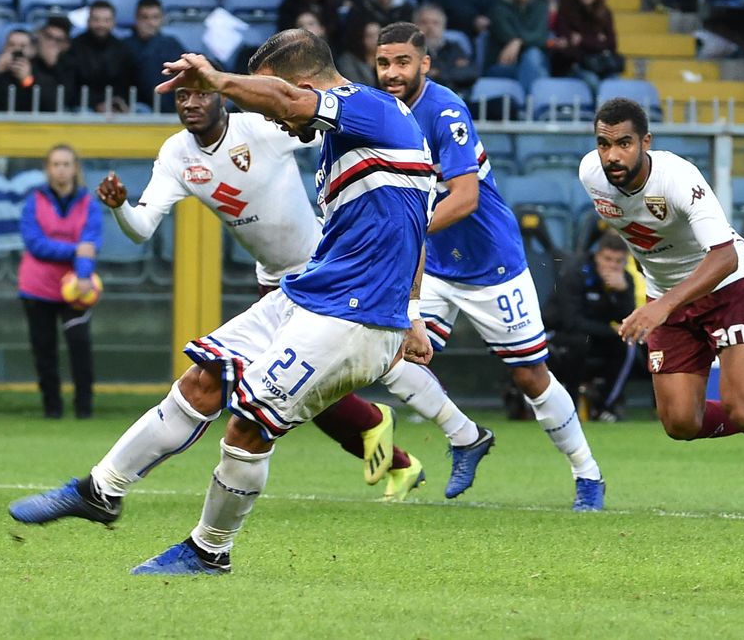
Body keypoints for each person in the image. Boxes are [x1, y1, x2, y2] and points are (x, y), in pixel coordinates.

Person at [9, 30, 437, 575]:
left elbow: (285, 105)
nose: (278, 123)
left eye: (276, 100)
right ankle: (100, 491)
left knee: (248, 424)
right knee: (204, 380)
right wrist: (417, 311)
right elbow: (416, 221)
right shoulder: (342, 142)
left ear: (301, 86)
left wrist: (219, 79)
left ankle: (209, 550)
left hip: (353, 314)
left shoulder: (372, 108)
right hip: (308, 293)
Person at [55, 83, 484, 501]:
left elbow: (321, 127)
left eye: (200, 92)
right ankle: (398, 457)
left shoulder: (259, 127)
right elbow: (142, 227)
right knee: (300, 397)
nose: (191, 102)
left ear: (221, 95)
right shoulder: (176, 154)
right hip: (277, 282)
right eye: (182, 96)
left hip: (327, 269)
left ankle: (459, 433)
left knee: (369, 368)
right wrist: (120, 208)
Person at [376, 21, 606, 509]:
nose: (392, 72)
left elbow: (465, 198)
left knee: (529, 376)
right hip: (435, 264)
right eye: (383, 63)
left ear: (424, 64)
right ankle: (466, 437)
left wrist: (406, 232)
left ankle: (588, 474)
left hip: (490, 266)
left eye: (402, 62)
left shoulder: (445, 111)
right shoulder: (382, 113)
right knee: (391, 358)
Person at [580, 97, 744, 518]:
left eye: (624, 143)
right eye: (604, 144)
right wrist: (661, 299)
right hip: (667, 297)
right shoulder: (590, 174)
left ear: (646, 141)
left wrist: (661, 306)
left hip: (726, 288)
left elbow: (724, 257)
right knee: (680, 423)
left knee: (739, 405)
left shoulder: (679, 178)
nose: (612, 155)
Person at [18, 144, 103, 419]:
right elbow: (35, 243)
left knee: (80, 345)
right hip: (37, 287)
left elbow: (90, 243)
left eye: (66, 164)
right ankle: (52, 408)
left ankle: (84, 408)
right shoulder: (35, 201)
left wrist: (82, 274)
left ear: (75, 168)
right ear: (48, 169)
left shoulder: (89, 203)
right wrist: (73, 249)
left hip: (77, 287)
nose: (61, 169)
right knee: (44, 349)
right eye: (56, 164)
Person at [544, 231, 637, 422]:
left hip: (596, 336)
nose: (612, 265)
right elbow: (571, 322)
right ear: (597, 256)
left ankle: (605, 406)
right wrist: (611, 330)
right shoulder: (575, 272)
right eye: (608, 259)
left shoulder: (625, 280)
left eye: (619, 261)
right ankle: (571, 403)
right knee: (579, 342)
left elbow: (628, 319)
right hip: (559, 334)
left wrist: (622, 293)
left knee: (626, 344)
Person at [550, 0, 621, 93]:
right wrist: (597, 40)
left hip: (600, 65)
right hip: (573, 67)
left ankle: (613, 112)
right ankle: (600, 113)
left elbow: (612, 44)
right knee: (592, 81)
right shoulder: (565, 12)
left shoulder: (605, 13)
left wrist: (582, 39)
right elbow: (568, 47)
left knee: (615, 83)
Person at [486, 0, 550, 92]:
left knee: (533, 56)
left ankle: (526, 105)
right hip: (505, 65)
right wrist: (521, 39)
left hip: (535, 64)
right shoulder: (498, 7)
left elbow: (541, 36)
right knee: (536, 65)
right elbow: (506, 33)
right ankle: (530, 106)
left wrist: (518, 41)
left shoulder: (541, 6)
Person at [66, 0, 137, 112]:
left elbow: (128, 85)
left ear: (113, 23)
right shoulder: (74, 48)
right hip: (83, 107)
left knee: (141, 110)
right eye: (96, 20)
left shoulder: (123, 50)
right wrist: (96, 105)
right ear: (88, 21)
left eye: (106, 20)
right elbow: (70, 88)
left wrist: (117, 103)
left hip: (116, 106)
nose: (101, 25)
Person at [0, 28, 58, 112]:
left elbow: (51, 107)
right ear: (4, 48)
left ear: (32, 50)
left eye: (22, 46)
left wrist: (27, 80)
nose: (16, 50)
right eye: (11, 45)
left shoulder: (41, 73)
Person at [127, 0, 186, 113]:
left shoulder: (171, 43)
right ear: (136, 19)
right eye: (145, 18)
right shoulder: (124, 46)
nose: (150, 23)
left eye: (155, 17)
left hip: (172, 104)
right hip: (138, 107)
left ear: (162, 19)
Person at [414, 3, 478, 95]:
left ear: (443, 26)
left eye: (435, 23)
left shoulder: (454, 47)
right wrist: (452, 70)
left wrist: (438, 73)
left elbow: (471, 73)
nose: (430, 27)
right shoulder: (410, 51)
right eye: (424, 22)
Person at [334, 18, 380, 86]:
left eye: (379, 34)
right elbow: (356, 86)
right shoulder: (347, 61)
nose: (376, 39)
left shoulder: (389, 56)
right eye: (370, 36)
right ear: (360, 38)